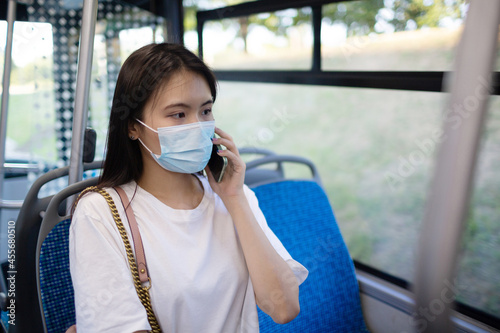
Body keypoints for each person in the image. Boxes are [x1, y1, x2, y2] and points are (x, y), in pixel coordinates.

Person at [69, 43, 308, 333]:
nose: (198, 126)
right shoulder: (100, 212)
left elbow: (284, 308)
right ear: (133, 126)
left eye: (206, 111)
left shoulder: (236, 196)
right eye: (179, 115)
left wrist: (234, 199)